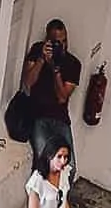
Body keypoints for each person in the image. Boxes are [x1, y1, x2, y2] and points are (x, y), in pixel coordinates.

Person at [22, 19, 81, 176]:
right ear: (47, 40)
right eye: (56, 42)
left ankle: (60, 199)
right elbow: (28, 82)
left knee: (69, 168)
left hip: (60, 119)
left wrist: (55, 69)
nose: (61, 46)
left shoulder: (73, 64)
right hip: (37, 115)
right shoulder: (37, 51)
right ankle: (41, 198)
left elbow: (62, 97)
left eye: (64, 41)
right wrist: (42, 59)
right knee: (44, 163)